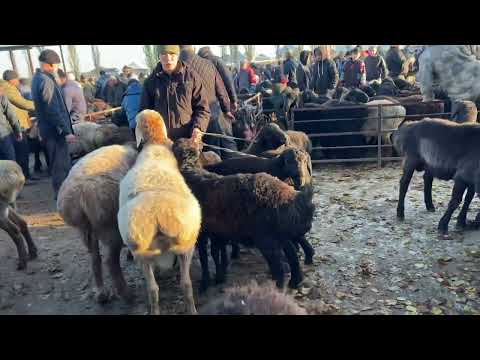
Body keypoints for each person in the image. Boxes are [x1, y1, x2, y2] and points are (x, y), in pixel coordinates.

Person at [140, 45, 210, 143]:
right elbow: (145, 112)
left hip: (188, 141)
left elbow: (202, 109)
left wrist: (198, 128)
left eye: (172, 54)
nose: (168, 58)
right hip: (161, 143)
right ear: (159, 56)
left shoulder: (192, 78)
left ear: (178, 55)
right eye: (164, 54)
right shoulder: (151, 82)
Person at [31, 49, 75, 199]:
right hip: (54, 131)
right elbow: (52, 109)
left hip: (49, 129)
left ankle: (62, 194)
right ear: (49, 65)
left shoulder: (38, 78)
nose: (57, 68)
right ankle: (63, 196)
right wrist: (65, 130)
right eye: (56, 65)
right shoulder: (46, 81)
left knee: (57, 163)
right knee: (60, 164)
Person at [180, 45, 236, 159]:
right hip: (212, 117)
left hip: (189, 123)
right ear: (194, 48)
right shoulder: (208, 64)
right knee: (217, 155)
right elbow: (221, 90)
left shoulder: (176, 68)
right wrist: (226, 110)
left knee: (196, 160)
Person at [0, 70, 40, 182]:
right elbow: (21, 102)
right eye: (16, 79)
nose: (18, 81)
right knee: (21, 152)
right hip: (14, 127)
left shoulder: (8, 88)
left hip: (16, 124)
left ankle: (24, 176)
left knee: (22, 152)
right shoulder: (7, 89)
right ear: (12, 79)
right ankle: (23, 178)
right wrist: (39, 105)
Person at [197, 46, 238, 112]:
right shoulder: (216, 61)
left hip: (199, 102)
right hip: (217, 101)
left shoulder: (196, 64)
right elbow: (228, 80)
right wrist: (233, 100)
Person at [0, 83, 22, 162]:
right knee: (11, 162)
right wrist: (18, 131)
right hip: (3, 136)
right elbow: (11, 115)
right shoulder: (1, 96)